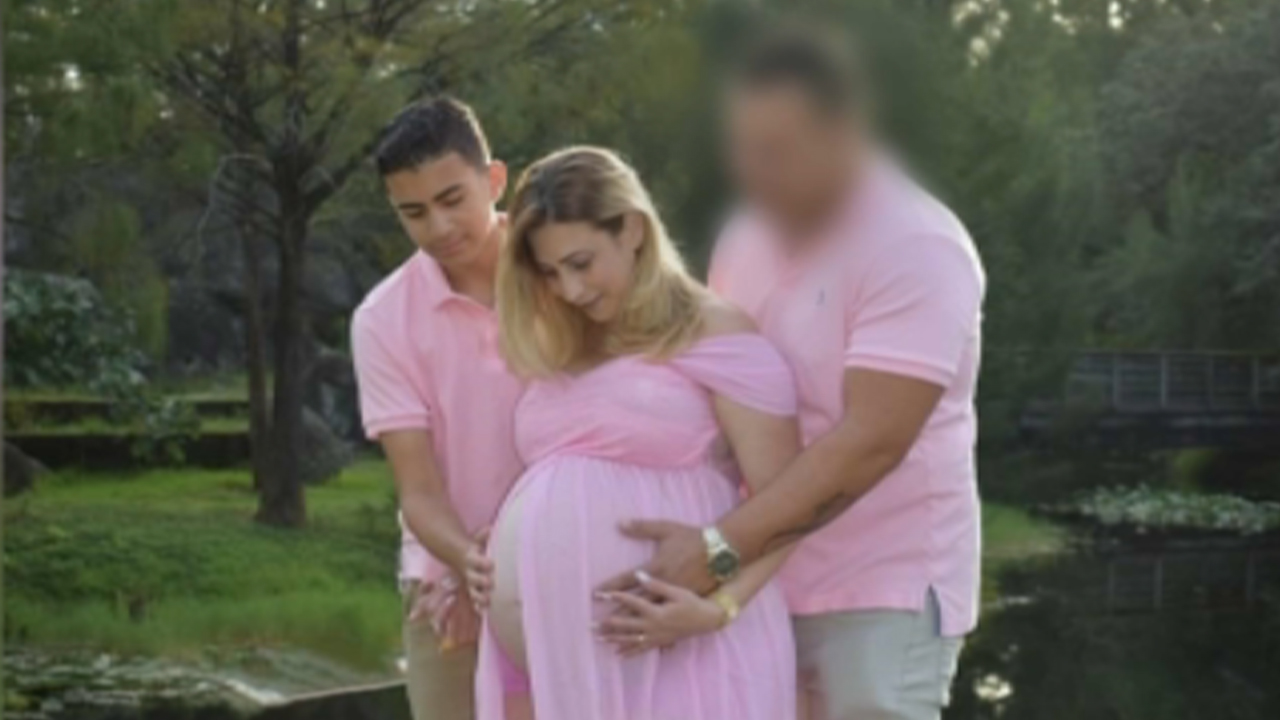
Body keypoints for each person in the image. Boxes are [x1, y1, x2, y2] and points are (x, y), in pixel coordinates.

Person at [604, 27, 986, 720]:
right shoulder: (745, 233)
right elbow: (717, 391)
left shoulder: (918, 245)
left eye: (776, 150)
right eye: (743, 148)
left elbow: (870, 443)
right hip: (760, 582)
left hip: (880, 591)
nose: (753, 171)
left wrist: (717, 549)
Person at [468, 146, 801, 720]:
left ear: (632, 229)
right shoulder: (561, 342)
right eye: (550, 272)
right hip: (565, 671)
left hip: (689, 649)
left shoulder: (714, 330)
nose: (570, 289)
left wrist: (718, 607)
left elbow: (792, 505)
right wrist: (499, 548)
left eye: (581, 262)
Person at [351, 97, 521, 720]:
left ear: (494, 180)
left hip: (580, 559)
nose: (440, 227)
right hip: (449, 586)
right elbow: (418, 491)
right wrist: (469, 563)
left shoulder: (563, 270)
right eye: (414, 213)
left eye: (453, 200)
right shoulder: (382, 321)